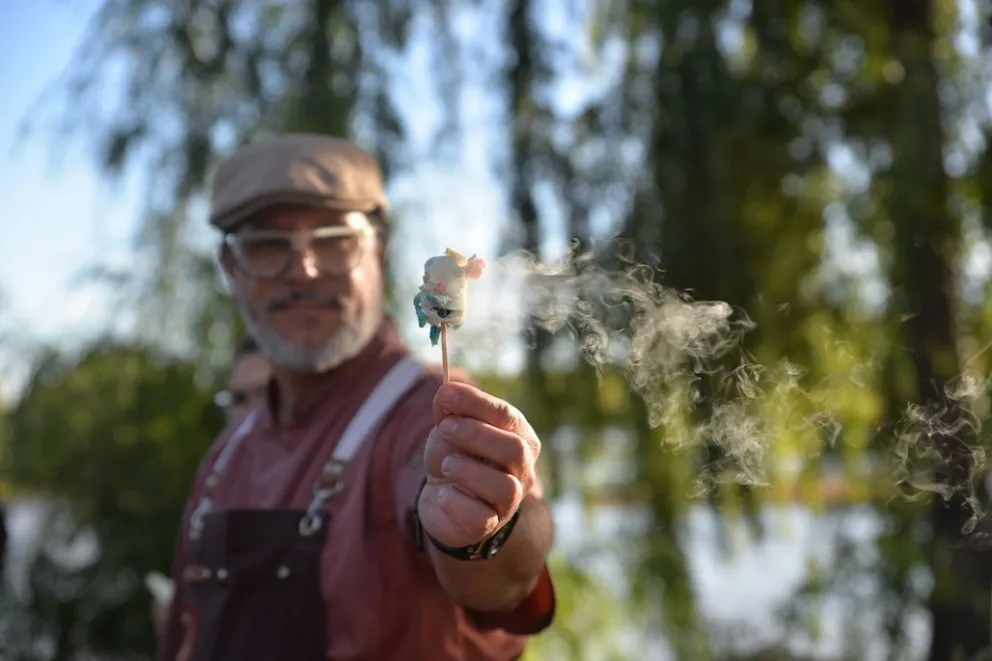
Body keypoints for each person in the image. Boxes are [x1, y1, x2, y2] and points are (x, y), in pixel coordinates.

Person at [157, 133, 556, 661]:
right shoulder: (225, 457)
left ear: (380, 251)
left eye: (334, 239)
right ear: (231, 268)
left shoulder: (424, 412)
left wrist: (487, 528)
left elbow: (500, 580)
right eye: (268, 244)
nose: (304, 269)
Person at [151, 338, 272, 640]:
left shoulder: (338, 480)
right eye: (239, 399)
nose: (251, 413)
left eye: (266, 393)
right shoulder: (213, 477)